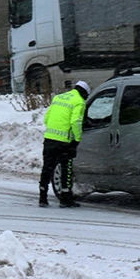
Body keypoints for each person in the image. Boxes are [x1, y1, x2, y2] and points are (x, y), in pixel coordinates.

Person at [40, 80, 89, 208]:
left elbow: (46, 118)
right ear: (84, 93)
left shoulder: (58, 97)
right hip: (64, 142)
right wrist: (77, 138)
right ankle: (65, 198)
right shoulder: (79, 101)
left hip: (49, 138)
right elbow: (76, 122)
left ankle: (42, 197)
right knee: (66, 168)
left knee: (47, 168)